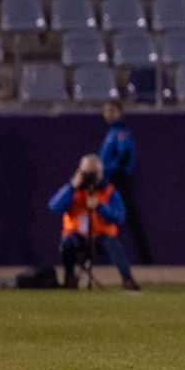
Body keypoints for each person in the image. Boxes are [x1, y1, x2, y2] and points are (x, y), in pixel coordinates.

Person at [49, 153, 139, 290]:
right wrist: (73, 187)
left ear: (101, 173)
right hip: (76, 236)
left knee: (113, 245)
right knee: (67, 243)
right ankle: (69, 278)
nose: (90, 177)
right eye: (87, 173)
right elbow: (54, 207)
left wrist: (100, 207)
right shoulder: (72, 189)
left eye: (94, 173)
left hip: (100, 237)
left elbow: (120, 217)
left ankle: (128, 280)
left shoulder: (108, 191)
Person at [99, 100, 152, 265]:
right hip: (110, 179)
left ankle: (146, 259)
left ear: (120, 112)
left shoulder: (121, 132)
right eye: (106, 110)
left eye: (112, 110)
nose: (109, 113)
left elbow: (124, 156)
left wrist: (108, 170)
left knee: (130, 218)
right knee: (105, 218)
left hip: (119, 179)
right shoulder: (111, 132)